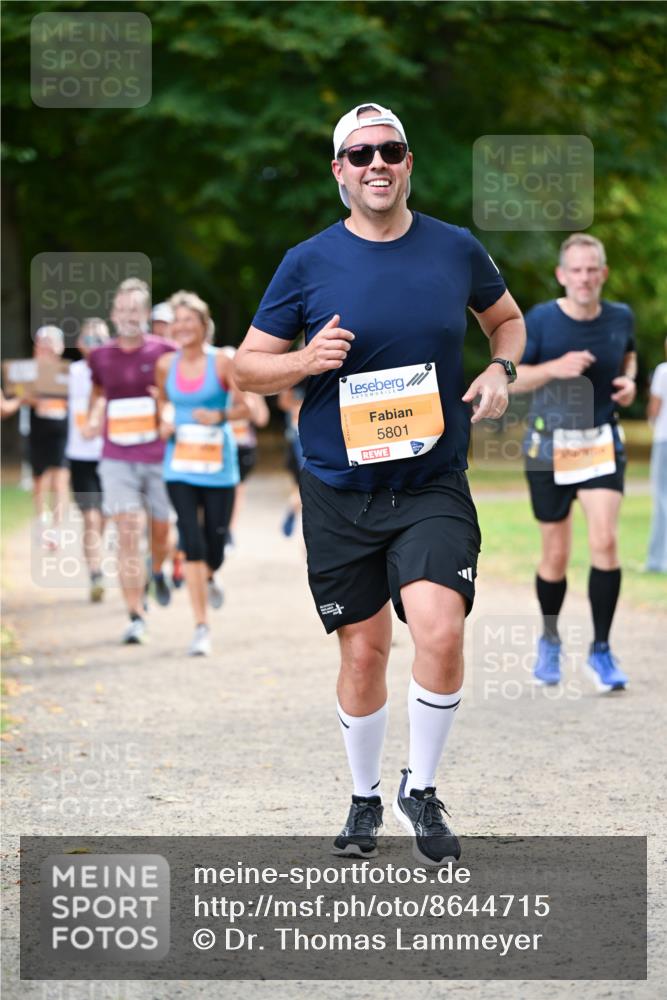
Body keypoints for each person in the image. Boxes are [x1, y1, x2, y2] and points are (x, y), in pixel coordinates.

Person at [234, 102, 525, 865]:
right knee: (363, 652)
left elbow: (507, 322)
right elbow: (245, 366)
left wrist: (501, 369)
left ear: (407, 163)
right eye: (359, 154)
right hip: (338, 487)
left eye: (389, 152)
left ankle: (419, 789)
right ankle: (364, 797)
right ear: (339, 170)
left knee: (439, 629)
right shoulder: (306, 262)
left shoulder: (454, 249)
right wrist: (303, 361)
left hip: (430, 481)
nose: (376, 166)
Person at [512, 233, 637, 692]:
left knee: (605, 542)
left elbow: (628, 356)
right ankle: (549, 638)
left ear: (602, 273)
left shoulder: (621, 316)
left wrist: (627, 381)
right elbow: (510, 379)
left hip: (601, 441)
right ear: (562, 275)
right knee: (556, 555)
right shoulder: (542, 320)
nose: (584, 278)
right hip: (548, 449)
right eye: (576, 270)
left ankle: (601, 650)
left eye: (592, 270)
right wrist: (554, 367)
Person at [155, 292, 250, 656]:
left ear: (203, 324)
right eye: (176, 321)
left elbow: (248, 408)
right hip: (178, 463)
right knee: (190, 542)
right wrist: (164, 419)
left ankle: (211, 574)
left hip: (217, 466)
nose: (181, 326)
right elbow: (163, 401)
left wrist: (220, 416)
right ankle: (201, 625)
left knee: (216, 543)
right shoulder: (166, 364)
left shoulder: (223, 361)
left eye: (188, 320)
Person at [85, 278, 175, 644]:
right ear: (113, 314)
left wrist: (167, 412)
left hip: (158, 455)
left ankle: (157, 568)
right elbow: (98, 395)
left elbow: (176, 395)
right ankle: (135, 615)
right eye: (123, 310)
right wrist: (93, 417)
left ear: (145, 313)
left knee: (161, 529)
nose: (129, 316)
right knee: (126, 531)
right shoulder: (100, 356)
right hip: (116, 456)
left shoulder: (165, 352)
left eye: (136, 310)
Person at [65, 318, 109, 602]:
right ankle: (95, 573)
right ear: (79, 343)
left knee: (103, 519)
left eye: (100, 340)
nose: (94, 345)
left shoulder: (113, 371)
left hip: (109, 456)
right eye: (89, 339)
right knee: (91, 518)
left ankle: (95, 558)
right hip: (80, 457)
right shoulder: (69, 373)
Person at [221, 346, 270, 548]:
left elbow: (262, 419)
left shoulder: (248, 386)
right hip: (219, 446)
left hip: (243, 447)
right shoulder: (216, 385)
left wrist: (252, 399)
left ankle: (229, 531)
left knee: (238, 489)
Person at [26, 326, 70, 549]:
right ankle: (42, 525)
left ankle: (56, 529)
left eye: (50, 342)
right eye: (42, 342)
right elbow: (20, 396)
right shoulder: (30, 371)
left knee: (60, 482)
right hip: (38, 430)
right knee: (39, 481)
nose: (46, 347)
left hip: (62, 431)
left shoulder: (68, 371)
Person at [646, 337, 667, 572]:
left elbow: (655, 407)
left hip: (664, 440)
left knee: (662, 499)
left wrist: (652, 421)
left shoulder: (663, 371)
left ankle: (657, 561)